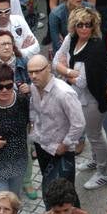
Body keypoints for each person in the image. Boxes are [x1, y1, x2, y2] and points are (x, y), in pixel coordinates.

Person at [52, 7, 107, 190]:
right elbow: (54, 63)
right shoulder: (71, 39)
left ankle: (103, 172)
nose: (84, 28)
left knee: (95, 135)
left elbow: (83, 82)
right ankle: (95, 161)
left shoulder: (96, 47)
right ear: (74, 26)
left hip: (93, 100)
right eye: (80, 25)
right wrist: (70, 73)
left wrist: (63, 72)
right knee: (90, 134)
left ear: (94, 26)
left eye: (88, 25)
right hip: (77, 98)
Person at [27, 56, 85, 205]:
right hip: (42, 144)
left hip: (61, 150)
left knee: (66, 192)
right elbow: (33, 107)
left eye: (37, 71)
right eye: (30, 72)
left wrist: (65, 145)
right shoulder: (33, 86)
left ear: (48, 69)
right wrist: (33, 127)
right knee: (50, 186)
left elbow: (79, 123)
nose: (33, 76)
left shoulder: (64, 93)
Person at [0, 64, 30, 195]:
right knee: (3, 202)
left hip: (18, 163)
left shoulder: (21, 100)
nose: (4, 90)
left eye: (9, 86)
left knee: (14, 201)